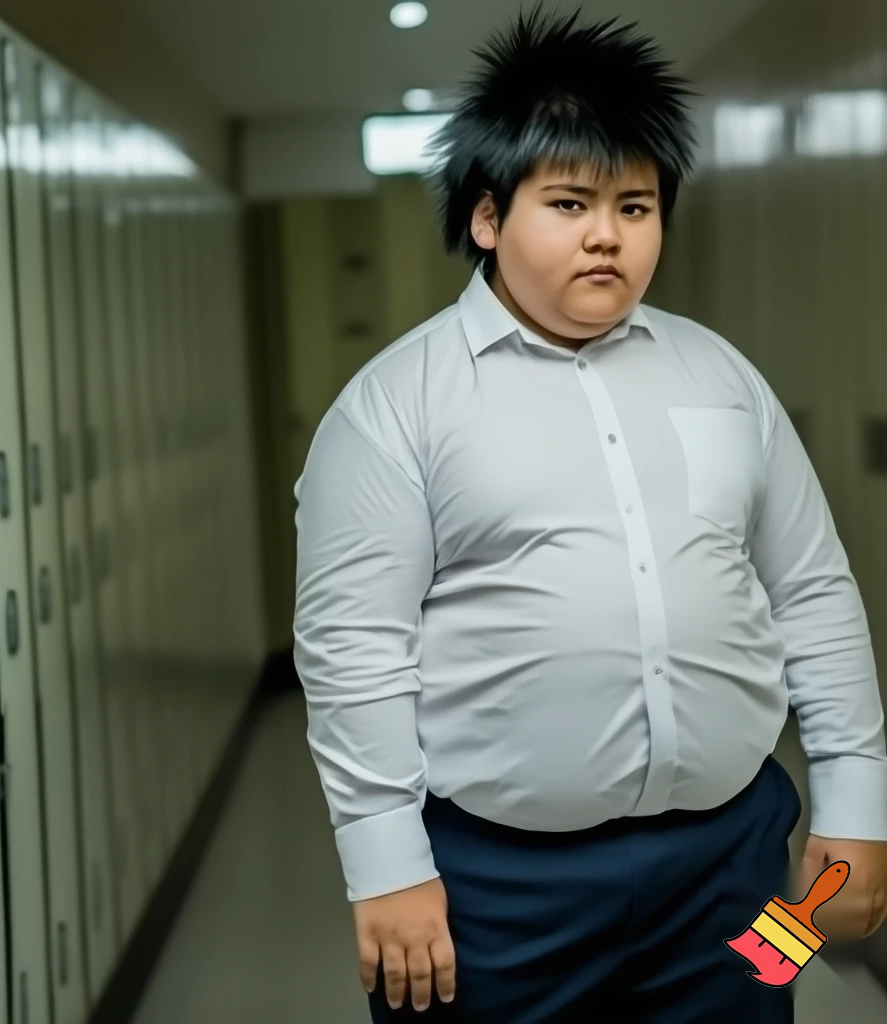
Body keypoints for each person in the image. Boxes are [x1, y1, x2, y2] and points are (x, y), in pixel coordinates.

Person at [292, 5, 887, 1021]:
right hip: (496, 888)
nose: (607, 233)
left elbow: (811, 589)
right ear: (487, 217)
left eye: (636, 205)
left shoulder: (719, 375)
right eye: (568, 203)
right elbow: (353, 646)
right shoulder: (395, 404)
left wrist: (855, 800)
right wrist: (384, 863)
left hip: (733, 862)